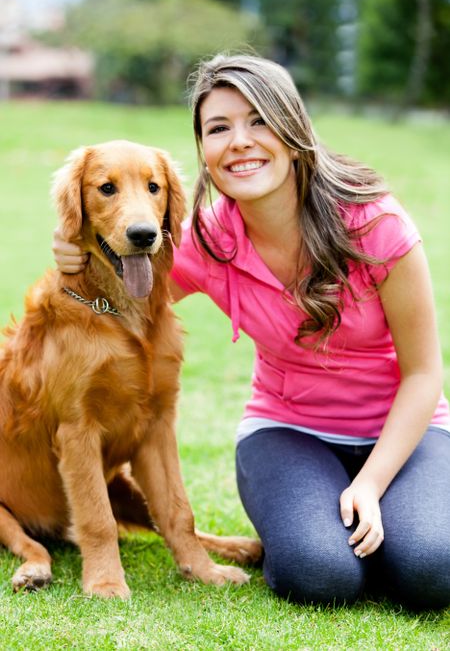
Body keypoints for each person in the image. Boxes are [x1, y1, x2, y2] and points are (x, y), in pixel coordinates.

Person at [53, 53, 450, 609]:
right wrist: (75, 256)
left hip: (406, 432)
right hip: (288, 432)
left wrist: (371, 483)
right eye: (219, 128)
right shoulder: (206, 241)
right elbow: (109, 294)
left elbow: (425, 373)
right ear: (205, 152)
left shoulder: (376, 224)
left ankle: (395, 530)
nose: (239, 141)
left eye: (258, 119)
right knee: (319, 577)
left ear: (293, 129)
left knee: (433, 570)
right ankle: (342, 537)